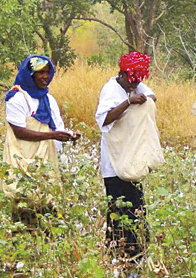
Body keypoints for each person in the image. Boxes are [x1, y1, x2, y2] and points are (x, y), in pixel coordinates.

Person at [95, 51, 164, 260]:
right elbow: (104, 119)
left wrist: (141, 98)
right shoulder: (110, 89)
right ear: (122, 73)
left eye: (137, 81)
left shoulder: (136, 85)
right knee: (118, 209)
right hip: (114, 163)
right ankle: (118, 254)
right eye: (131, 81)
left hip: (132, 159)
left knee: (136, 207)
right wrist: (128, 103)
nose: (133, 86)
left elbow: (151, 97)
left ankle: (135, 254)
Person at [3, 54, 80, 226]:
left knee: (47, 209)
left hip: (45, 161)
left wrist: (69, 135)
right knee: (24, 206)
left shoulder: (48, 99)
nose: (45, 77)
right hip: (22, 160)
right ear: (30, 74)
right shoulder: (16, 98)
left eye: (47, 72)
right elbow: (19, 132)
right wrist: (52, 136)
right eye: (40, 72)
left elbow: (56, 128)